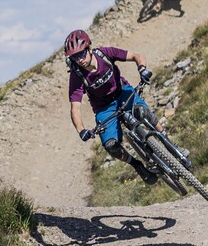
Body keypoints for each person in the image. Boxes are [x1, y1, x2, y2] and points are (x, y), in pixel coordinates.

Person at [64, 29, 158, 185]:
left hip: (123, 92)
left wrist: (142, 69)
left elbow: (136, 55)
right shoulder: (76, 76)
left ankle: (170, 143)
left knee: (144, 113)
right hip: (104, 108)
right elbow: (75, 108)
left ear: (89, 48)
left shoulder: (105, 54)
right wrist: (81, 130)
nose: (79, 59)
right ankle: (137, 165)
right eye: (74, 57)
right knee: (110, 145)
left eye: (81, 54)